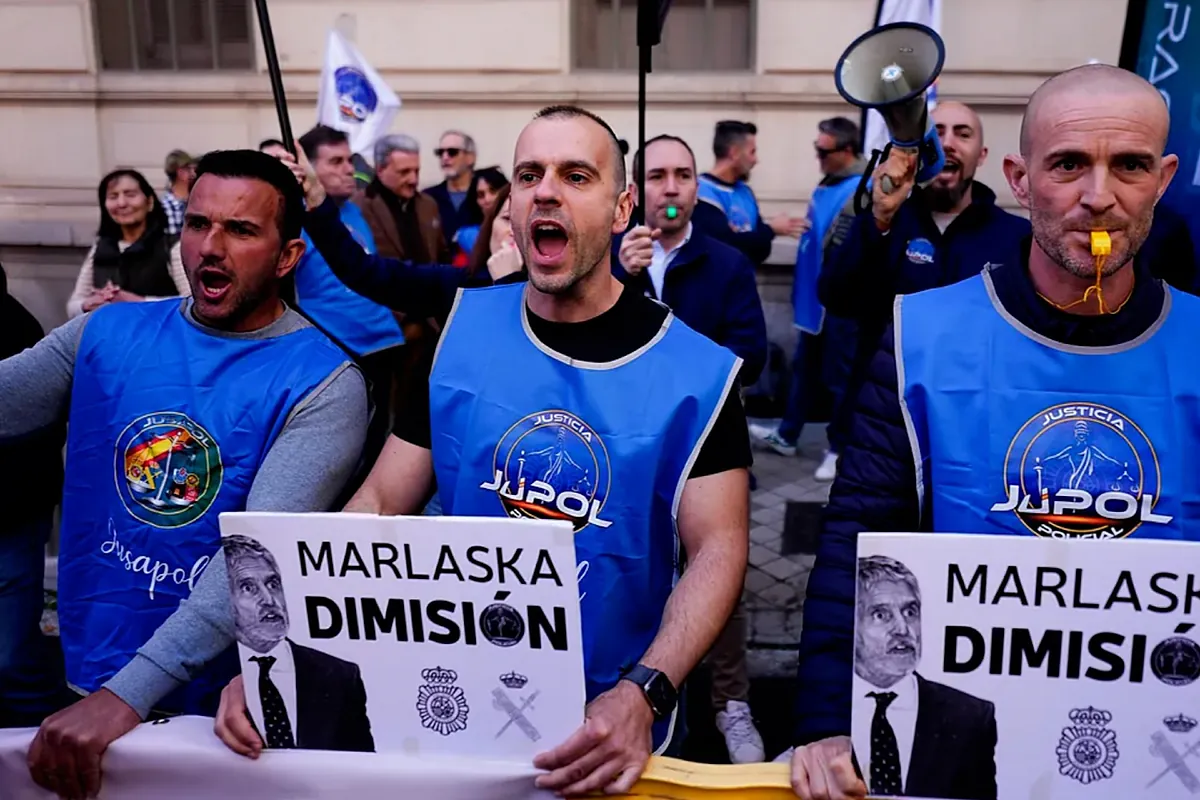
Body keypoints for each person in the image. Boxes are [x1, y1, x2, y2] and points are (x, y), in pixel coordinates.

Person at [215, 105, 751, 797]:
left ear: (621, 210)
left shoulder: (701, 374)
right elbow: (379, 502)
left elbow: (720, 549)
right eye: (529, 174)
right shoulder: (460, 331)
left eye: (575, 175)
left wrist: (644, 694)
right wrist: (275, 659)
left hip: (610, 724)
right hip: (454, 711)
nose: (545, 191)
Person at [790, 64, 1191, 800]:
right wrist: (825, 717)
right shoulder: (921, 334)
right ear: (1020, 177)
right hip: (964, 750)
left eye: (1129, 165)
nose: (1098, 196)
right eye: (1068, 164)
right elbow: (858, 538)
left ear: (1164, 180)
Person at [3, 150, 369, 799]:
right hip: (87, 668)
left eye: (241, 230)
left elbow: (250, 563)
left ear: (287, 257)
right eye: (197, 224)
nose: (210, 248)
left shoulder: (325, 382)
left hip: (218, 720)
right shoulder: (105, 331)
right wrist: (107, 694)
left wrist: (126, 695)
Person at [616, 133, 767, 763]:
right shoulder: (610, 264)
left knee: (716, 574)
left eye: (682, 175)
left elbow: (753, 356)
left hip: (705, 456)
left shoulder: (725, 264)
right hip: (626, 454)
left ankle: (731, 703)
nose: (671, 188)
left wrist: (684, 372)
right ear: (633, 193)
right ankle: (630, 689)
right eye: (656, 176)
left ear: (697, 188)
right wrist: (624, 282)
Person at [815, 102, 1031, 475]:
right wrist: (879, 220)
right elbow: (836, 297)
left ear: (981, 155)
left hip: (975, 429)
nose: (948, 144)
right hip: (882, 424)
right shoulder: (884, 221)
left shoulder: (1015, 238)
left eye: (962, 134)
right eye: (938, 132)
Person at [750, 118, 868, 482]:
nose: (817, 157)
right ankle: (787, 434)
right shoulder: (831, 182)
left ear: (846, 151)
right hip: (814, 303)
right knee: (805, 370)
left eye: (823, 151)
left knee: (840, 379)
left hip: (841, 305)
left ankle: (838, 449)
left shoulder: (863, 187)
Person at [851, 556, 995, 799]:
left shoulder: (969, 716)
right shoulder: (822, 708)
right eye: (881, 614)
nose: (903, 629)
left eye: (910, 611)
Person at [224, 534, 374, 753]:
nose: (269, 599)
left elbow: (363, 766)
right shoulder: (218, 683)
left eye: (272, 583)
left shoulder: (341, 675)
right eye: (248, 587)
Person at [0, 263, 67, 728]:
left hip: (12, 514)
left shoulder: (15, 325)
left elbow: (43, 426)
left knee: (9, 660)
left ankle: (41, 740)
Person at [66, 168, 190, 319]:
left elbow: (191, 303)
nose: (122, 203)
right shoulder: (100, 247)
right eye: (113, 196)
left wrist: (140, 302)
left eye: (130, 195)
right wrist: (89, 303)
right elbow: (73, 306)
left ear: (149, 202)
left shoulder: (171, 247)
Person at [694, 120, 807, 265]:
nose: (756, 160)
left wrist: (748, 237)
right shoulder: (702, 193)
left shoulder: (745, 193)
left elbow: (762, 250)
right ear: (734, 153)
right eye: (752, 152)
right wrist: (770, 230)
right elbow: (723, 246)